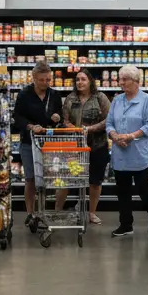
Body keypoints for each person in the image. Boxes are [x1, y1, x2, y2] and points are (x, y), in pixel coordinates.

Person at [105, 64, 148, 237]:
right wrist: (114, 136)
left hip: (139, 153)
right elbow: (109, 123)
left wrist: (130, 136)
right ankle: (126, 224)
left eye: (124, 79)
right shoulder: (117, 100)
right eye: (120, 79)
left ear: (136, 81)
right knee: (122, 191)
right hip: (120, 153)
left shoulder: (147, 100)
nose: (121, 83)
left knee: (143, 189)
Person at [13, 59, 64, 227]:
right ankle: (30, 213)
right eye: (41, 80)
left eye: (48, 80)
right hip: (29, 142)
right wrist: (30, 126)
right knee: (30, 179)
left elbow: (60, 118)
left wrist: (57, 118)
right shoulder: (24, 94)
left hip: (50, 143)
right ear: (33, 77)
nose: (45, 83)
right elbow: (17, 118)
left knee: (50, 179)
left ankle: (46, 211)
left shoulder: (54, 95)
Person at [57, 70, 111, 224]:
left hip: (97, 145)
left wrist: (90, 129)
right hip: (75, 147)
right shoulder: (70, 98)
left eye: (83, 79)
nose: (79, 82)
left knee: (95, 182)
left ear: (90, 81)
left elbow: (109, 119)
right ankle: (57, 211)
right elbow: (64, 119)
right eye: (77, 79)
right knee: (66, 179)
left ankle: (91, 213)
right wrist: (74, 128)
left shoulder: (100, 98)